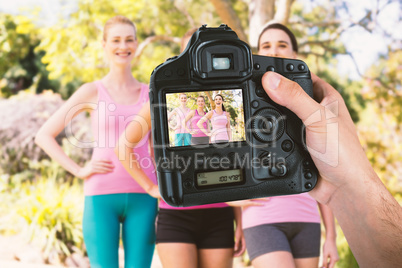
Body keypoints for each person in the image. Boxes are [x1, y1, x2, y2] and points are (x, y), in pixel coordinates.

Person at [115, 29, 245, 268]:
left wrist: (241, 221)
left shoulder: (230, 95)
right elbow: (124, 146)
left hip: (220, 216)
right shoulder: (160, 98)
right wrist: (151, 187)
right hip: (175, 214)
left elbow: (237, 169)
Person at [35, 15, 158, 268]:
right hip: (101, 195)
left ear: (136, 44)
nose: (122, 46)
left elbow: (157, 148)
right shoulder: (92, 91)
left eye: (128, 40)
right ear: (103, 45)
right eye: (115, 40)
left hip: (144, 196)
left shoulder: (151, 93)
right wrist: (79, 170)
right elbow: (44, 135)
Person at [241, 22, 339, 268]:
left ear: (294, 55)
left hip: (307, 219)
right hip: (262, 219)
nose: (273, 51)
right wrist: (230, 198)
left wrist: (332, 238)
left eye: (282, 45)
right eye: (266, 46)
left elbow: (325, 173)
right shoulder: (241, 98)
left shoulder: (313, 103)